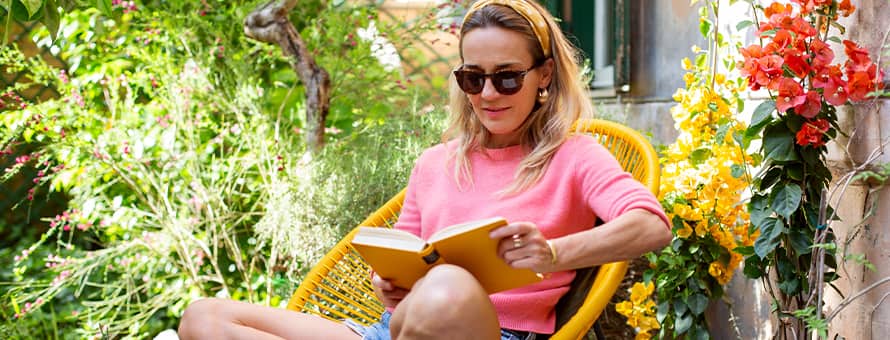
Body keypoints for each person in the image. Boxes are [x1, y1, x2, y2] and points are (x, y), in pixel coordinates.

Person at [177, 0, 672, 339]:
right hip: (397, 329)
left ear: (543, 74)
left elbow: (651, 226)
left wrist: (554, 252)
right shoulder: (436, 162)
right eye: (472, 78)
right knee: (205, 317)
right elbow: (401, 261)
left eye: (506, 77)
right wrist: (387, 286)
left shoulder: (575, 155)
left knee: (451, 285)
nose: (488, 94)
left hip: (489, 331)